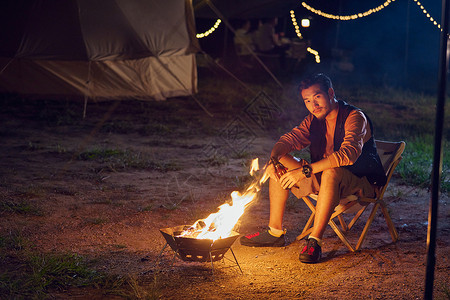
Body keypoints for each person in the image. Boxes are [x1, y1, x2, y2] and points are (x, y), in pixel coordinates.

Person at [240, 73, 387, 264]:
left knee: (331, 171)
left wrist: (305, 171)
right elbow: (289, 139)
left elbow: (348, 154)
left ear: (331, 93)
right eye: (307, 100)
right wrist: (274, 158)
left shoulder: (354, 117)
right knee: (281, 163)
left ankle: (315, 241)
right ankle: (275, 232)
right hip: (326, 181)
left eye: (317, 97)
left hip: (360, 183)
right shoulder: (313, 120)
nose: (313, 105)